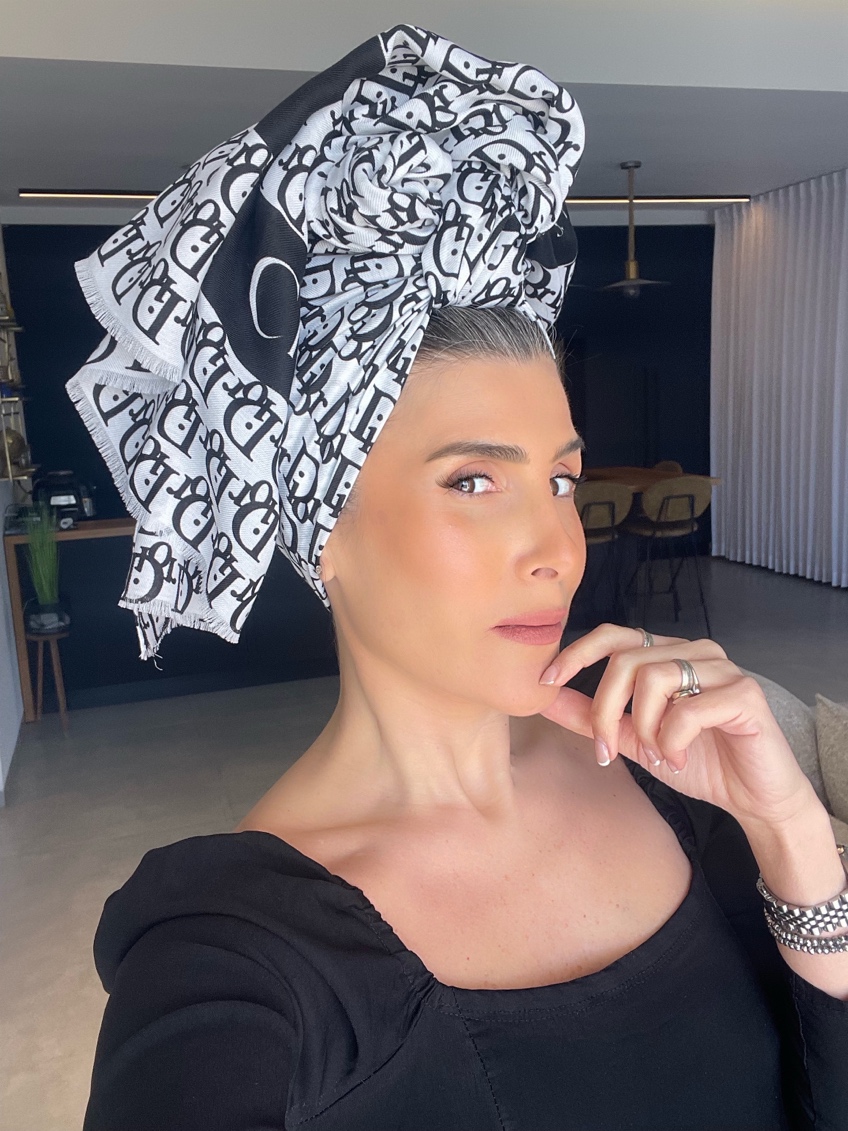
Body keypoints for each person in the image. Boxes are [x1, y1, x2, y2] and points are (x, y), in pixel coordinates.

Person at [69, 27, 848, 1131]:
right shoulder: (226, 963)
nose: (557, 547)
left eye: (561, 479)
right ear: (320, 531)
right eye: (473, 481)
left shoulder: (667, 772)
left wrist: (793, 841)